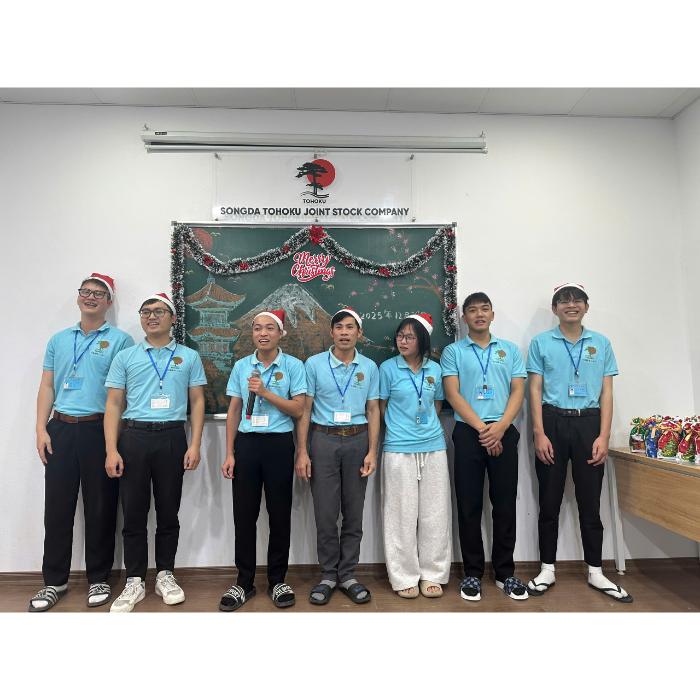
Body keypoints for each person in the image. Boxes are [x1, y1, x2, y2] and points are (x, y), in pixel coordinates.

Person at [29, 273, 134, 612]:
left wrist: (114, 442)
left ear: (108, 302)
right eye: (86, 291)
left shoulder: (121, 341)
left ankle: (99, 578)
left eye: (98, 294)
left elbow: (122, 394)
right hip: (60, 429)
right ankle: (54, 582)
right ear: (78, 297)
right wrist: (41, 429)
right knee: (57, 508)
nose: (90, 297)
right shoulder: (59, 340)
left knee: (101, 507)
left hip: (99, 430)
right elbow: (47, 386)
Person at [526, 283, 632, 602]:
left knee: (590, 502)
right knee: (549, 501)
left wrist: (603, 435)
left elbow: (607, 392)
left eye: (577, 300)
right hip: (552, 422)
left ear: (586, 306)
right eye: (564, 301)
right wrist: (539, 432)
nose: (570, 305)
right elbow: (534, 389)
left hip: (589, 424)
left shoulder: (601, 343)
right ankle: (547, 568)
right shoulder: (541, 342)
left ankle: (596, 570)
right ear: (555, 308)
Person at [104, 292, 206, 612]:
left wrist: (195, 444)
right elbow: (114, 404)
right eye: (146, 311)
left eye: (159, 311)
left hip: (172, 437)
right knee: (133, 512)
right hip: (134, 437)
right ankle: (134, 579)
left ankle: (165, 574)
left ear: (172, 318)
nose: (151, 316)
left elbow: (197, 401)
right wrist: (111, 449)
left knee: (168, 511)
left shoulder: (189, 357)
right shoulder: (125, 357)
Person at [441, 292, 529, 602]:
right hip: (469, 433)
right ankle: (472, 573)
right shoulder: (453, 351)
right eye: (472, 310)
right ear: (464, 317)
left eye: (484, 309)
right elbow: (452, 394)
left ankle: (505, 573)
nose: (479, 314)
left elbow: (518, 391)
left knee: (504, 504)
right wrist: (483, 430)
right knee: (469, 505)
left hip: (504, 430)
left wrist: (501, 428)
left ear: (492, 314)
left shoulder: (510, 350)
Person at [218, 310, 306, 611]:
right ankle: (243, 582)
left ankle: (278, 580)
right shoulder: (242, 366)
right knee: (244, 516)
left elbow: (298, 409)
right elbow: (234, 410)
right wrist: (229, 452)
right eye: (257, 328)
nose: (263, 333)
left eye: (269, 328)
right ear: (252, 333)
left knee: (279, 515)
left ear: (281, 333)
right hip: (247, 444)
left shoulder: (293, 366)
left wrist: (266, 392)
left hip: (279, 444)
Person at [295, 307, 380, 605]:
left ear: (359, 333)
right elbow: (305, 409)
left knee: (354, 513)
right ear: (331, 332)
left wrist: (372, 451)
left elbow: (373, 410)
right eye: (339, 327)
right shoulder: (314, 364)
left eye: (350, 327)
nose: (344, 332)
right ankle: (329, 575)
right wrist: (302, 451)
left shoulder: (369, 367)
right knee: (326, 513)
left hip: (358, 440)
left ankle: (348, 575)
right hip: (323, 440)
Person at [379, 313, 451, 599]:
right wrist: (402, 428)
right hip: (398, 448)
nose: (403, 341)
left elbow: (437, 404)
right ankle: (404, 576)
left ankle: (433, 574)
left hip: (433, 446)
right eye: (400, 336)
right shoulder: (387, 368)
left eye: (409, 337)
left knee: (436, 513)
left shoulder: (435, 369)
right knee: (400, 515)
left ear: (422, 340)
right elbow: (381, 406)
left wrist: (423, 428)